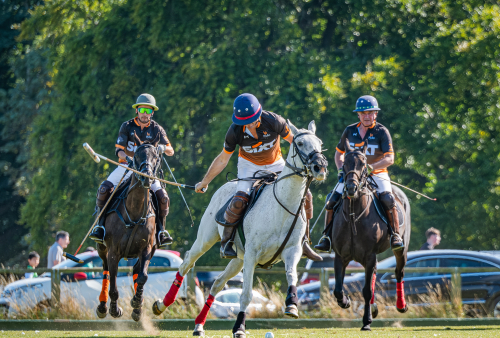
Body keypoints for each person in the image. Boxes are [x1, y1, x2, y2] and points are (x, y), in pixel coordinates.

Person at [194, 93, 322, 261]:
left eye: (252, 120)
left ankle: (304, 242)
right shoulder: (234, 131)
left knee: (306, 196)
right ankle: (227, 241)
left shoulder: (274, 121)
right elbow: (223, 159)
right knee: (239, 199)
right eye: (244, 121)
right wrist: (205, 181)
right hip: (249, 167)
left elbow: (296, 142)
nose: (249, 124)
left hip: (276, 164)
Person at [315, 95, 404, 252]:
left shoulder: (381, 132)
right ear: (358, 115)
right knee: (331, 200)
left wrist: (370, 167)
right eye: (363, 114)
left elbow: (390, 158)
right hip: (352, 175)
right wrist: (341, 169)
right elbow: (338, 154)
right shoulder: (349, 131)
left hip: (377, 173)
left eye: (370, 113)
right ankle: (326, 237)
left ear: (375, 114)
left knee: (388, 199)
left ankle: (395, 235)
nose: (367, 116)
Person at [89, 93, 175, 248]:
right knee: (104, 188)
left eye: (148, 111)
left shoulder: (157, 129)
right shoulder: (127, 126)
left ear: (152, 113)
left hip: (147, 171)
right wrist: (128, 159)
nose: (145, 113)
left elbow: (171, 150)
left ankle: (161, 231)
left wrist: (162, 147)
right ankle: (100, 227)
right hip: (127, 167)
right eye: (142, 109)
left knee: (163, 197)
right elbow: (119, 151)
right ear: (137, 110)